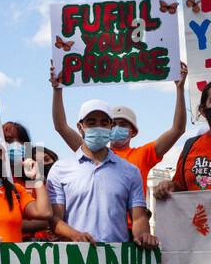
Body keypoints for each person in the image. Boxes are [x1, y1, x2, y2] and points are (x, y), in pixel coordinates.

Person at [52, 62, 189, 190]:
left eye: (123, 124)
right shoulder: (92, 153)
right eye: (113, 124)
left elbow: (177, 129)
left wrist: (180, 89)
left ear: (133, 132)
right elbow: (61, 127)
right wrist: (57, 89)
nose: (117, 128)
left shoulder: (143, 155)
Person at [47, 100, 157, 246]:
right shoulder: (60, 169)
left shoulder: (130, 171)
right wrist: (75, 235)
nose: (98, 127)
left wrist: (143, 236)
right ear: (80, 127)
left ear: (110, 127)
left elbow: (138, 218)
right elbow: (55, 219)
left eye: (104, 123)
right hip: (75, 258)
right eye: (91, 123)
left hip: (117, 258)